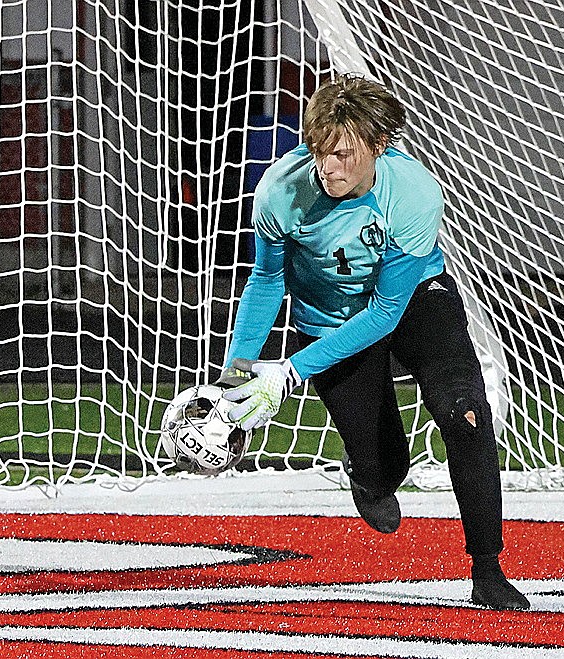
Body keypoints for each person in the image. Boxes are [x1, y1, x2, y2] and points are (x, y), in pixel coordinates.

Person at [219, 73, 529, 611]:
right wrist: (238, 370)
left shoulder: (412, 193)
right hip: (329, 318)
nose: (326, 168)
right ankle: (369, 476)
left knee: (467, 414)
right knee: (386, 468)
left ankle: (488, 570)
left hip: (412, 304)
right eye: (318, 151)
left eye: (342, 154)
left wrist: (289, 371)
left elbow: (387, 311)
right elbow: (267, 281)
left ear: (380, 147)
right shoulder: (280, 190)